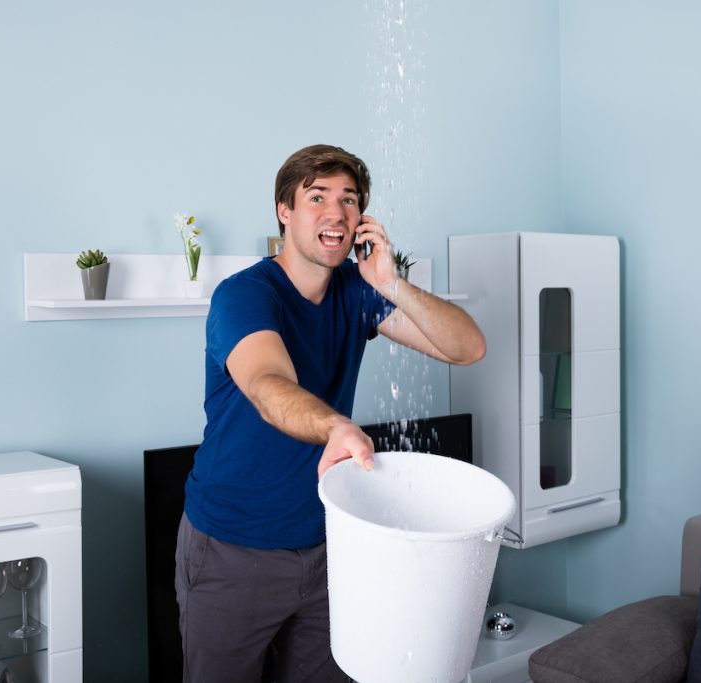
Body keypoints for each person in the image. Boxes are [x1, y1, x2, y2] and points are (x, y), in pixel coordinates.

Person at [174, 144, 486, 683]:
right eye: (316, 197)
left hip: (329, 548)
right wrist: (336, 426)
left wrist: (390, 282)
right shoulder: (244, 295)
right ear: (284, 211)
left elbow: (467, 347)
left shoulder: (356, 292)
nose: (336, 212)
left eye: (349, 200)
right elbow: (267, 384)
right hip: (232, 551)